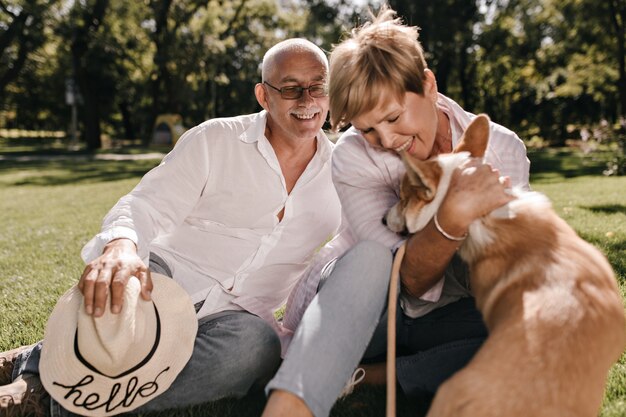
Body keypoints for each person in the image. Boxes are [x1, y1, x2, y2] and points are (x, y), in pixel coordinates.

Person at [0, 38, 341, 416]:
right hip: (164, 279)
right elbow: (146, 203)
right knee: (124, 287)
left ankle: (46, 381)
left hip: (238, 318)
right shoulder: (215, 139)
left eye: (318, 86)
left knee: (257, 348)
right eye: (291, 88)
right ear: (264, 95)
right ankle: (42, 374)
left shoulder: (343, 173)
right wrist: (121, 246)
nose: (307, 100)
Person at [262, 5, 530, 417]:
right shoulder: (353, 155)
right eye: (368, 128)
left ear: (427, 85)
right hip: (365, 309)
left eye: (392, 116)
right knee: (368, 261)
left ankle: (369, 376)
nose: (385, 140)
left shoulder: (502, 147)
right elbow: (408, 281)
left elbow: (507, 276)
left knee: (532, 334)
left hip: (449, 310)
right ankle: (306, 385)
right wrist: (456, 214)